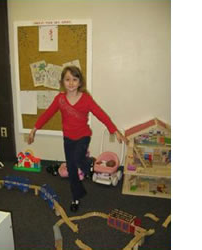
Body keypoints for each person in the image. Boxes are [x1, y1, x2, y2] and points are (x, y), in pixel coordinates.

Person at [28, 66, 128, 212]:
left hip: (83, 136)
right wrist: (34, 129)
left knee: (76, 159)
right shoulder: (60, 99)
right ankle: (76, 195)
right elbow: (47, 114)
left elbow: (101, 115)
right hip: (68, 138)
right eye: (67, 79)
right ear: (62, 81)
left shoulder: (86, 99)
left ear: (80, 82)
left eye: (75, 79)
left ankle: (90, 164)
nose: (71, 83)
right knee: (72, 168)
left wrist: (115, 131)